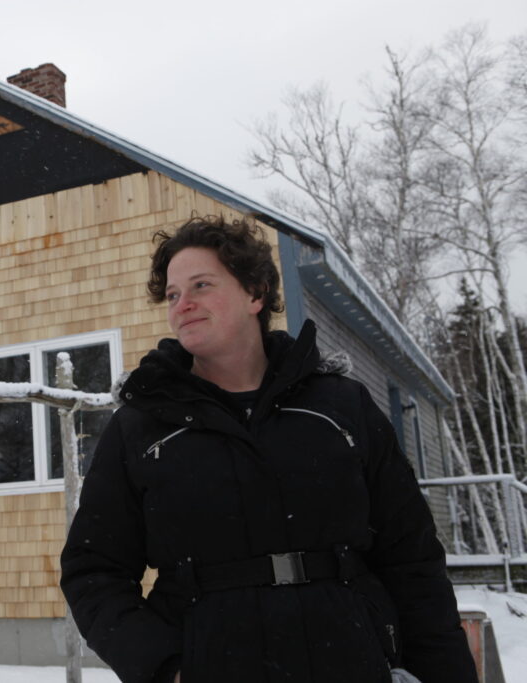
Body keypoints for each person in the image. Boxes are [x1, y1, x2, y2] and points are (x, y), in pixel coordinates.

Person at [60, 215, 477, 683]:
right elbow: (93, 571)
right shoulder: (142, 426)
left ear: (256, 294)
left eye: (201, 285)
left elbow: (412, 557)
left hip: (350, 659)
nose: (183, 304)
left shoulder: (340, 406)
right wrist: (167, 667)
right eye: (173, 294)